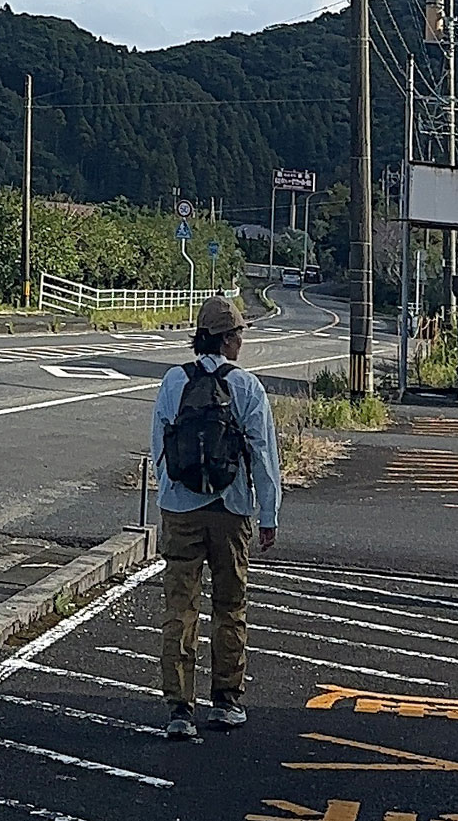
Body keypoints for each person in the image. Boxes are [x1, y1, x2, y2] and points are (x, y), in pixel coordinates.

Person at [148, 292, 281, 740]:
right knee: (230, 606)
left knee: (180, 607)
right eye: (239, 333)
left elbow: (159, 448)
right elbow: (263, 455)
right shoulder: (246, 387)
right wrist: (269, 514)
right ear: (226, 339)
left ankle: (179, 710)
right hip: (230, 509)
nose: (241, 341)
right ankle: (226, 702)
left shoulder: (172, 382)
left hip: (180, 508)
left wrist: (170, 495)